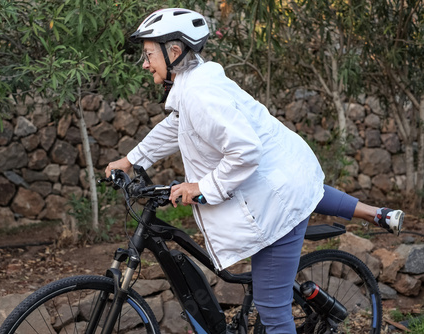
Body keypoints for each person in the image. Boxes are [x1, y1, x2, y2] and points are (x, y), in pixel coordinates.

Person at [105, 8, 404, 333]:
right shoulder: (193, 82)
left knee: (273, 311)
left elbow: (245, 151)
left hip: (277, 193)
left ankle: (375, 216)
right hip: (285, 173)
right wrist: (132, 160)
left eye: (149, 54)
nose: (145, 63)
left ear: (174, 52)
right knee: (309, 194)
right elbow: (174, 127)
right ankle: (377, 214)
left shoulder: (200, 95)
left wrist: (203, 187)